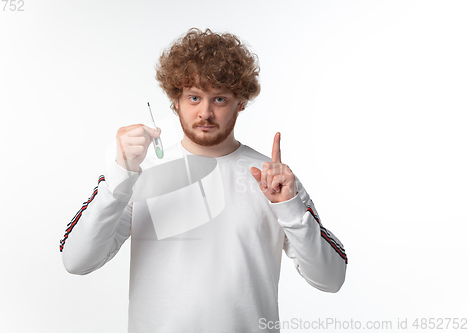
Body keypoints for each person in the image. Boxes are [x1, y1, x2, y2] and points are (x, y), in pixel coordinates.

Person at [60, 28, 347, 333]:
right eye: (194, 97)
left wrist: (289, 208)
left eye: (219, 99)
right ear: (176, 102)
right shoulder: (139, 172)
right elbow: (77, 261)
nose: (205, 112)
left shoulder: (274, 180)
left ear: (241, 103)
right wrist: (120, 176)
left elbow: (331, 279)